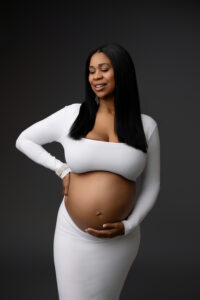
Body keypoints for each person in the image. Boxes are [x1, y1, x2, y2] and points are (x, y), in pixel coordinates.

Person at [15, 43, 160, 300]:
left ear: (123, 73)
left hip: (121, 239)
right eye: (91, 70)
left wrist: (130, 225)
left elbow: (152, 184)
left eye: (104, 69)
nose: (95, 76)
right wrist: (61, 169)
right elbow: (24, 139)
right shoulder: (72, 115)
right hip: (73, 234)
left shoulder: (146, 125)